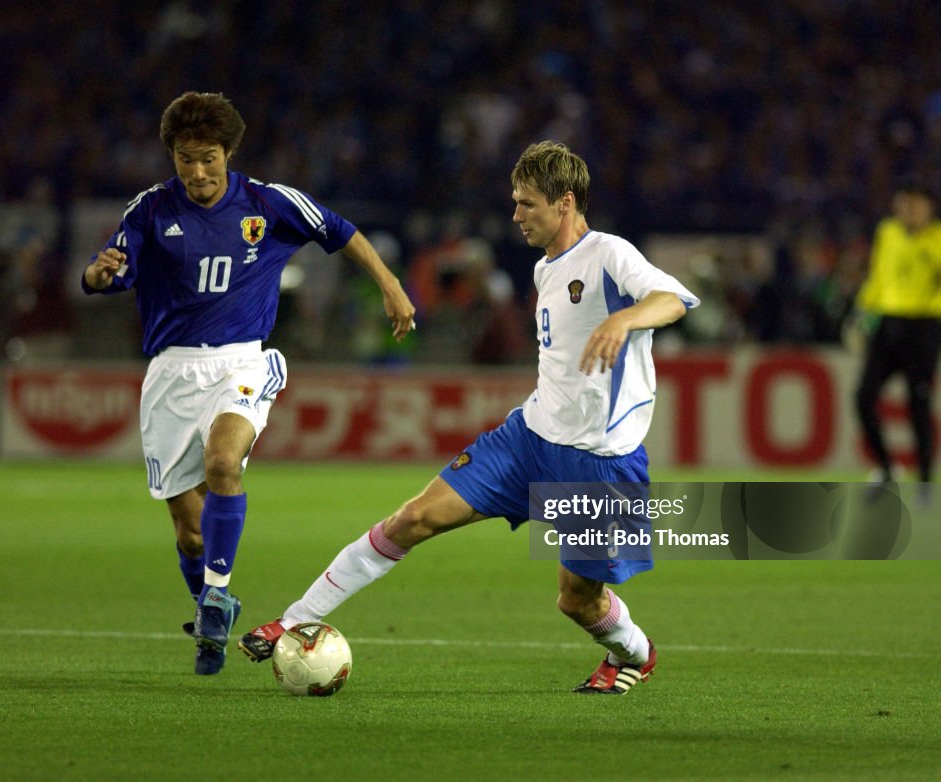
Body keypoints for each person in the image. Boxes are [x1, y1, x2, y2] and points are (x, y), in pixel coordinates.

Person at [239, 141, 699, 694]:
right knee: (413, 519)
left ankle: (636, 653)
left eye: (527, 204)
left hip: (599, 465)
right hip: (527, 440)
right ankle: (290, 621)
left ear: (566, 202)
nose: (516, 215)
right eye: (515, 202)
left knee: (578, 600)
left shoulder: (609, 253)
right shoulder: (545, 269)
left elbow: (672, 299)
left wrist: (624, 320)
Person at [81, 92, 416, 675]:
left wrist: (390, 284)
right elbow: (113, 270)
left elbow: (341, 231)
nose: (198, 171)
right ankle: (210, 607)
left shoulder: (268, 202)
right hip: (170, 371)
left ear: (228, 152)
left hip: (241, 362)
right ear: (173, 157)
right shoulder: (151, 210)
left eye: (209, 158)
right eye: (186, 159)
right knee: (189, 533)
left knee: (222, 464)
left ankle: (215, 594)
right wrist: (96, 273)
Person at [852, 179, 941, 501]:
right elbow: (879, 277)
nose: (909, 211)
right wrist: (861, 312)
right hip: (888, 325)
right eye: (904, 204)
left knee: (918, 405)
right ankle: (888, 470)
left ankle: (925, 481)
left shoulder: (937, 240)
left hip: (924, 326)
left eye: (915, 204)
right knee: (863, 397)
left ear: (929, 207)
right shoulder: (887, 233)